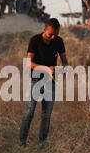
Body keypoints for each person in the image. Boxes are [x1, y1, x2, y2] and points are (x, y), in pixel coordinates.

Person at [19, 18, 69, 146]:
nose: (52, 37)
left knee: (46, 115)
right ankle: (22, 143)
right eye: (50, 34)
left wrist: (59, 70)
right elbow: (29, 63)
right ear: (44, 30)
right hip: (35, 80)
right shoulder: (34, 40)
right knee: (29, 112)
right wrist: (47, 69)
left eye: (55, 35)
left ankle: (42, 143)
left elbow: (65, 64)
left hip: (50, 82)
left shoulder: (59, 41)